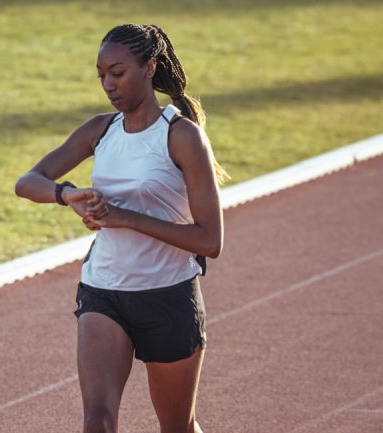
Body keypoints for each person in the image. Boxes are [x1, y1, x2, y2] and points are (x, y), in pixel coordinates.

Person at [14, 23, 226, 433]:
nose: (108, 84)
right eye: (101, 75)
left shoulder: (182, 137)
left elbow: (209, 240)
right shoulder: (101, 130)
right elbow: (28, 181)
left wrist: (125, 217)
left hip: (168, 296)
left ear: (149, 67)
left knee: (178, 427)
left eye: (118, 72)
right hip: (104, 291)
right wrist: (67, 194)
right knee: (97, 421)